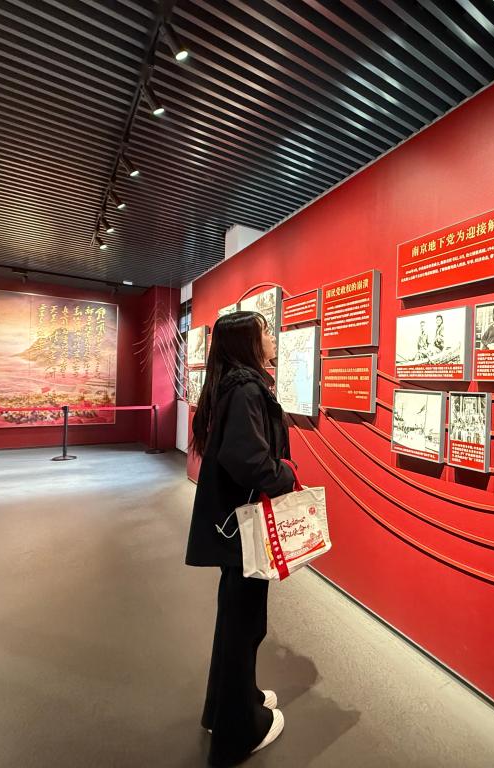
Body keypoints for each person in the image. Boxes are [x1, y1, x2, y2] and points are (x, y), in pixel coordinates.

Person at [185, 311, 296, 765]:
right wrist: (284, 475)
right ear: (247, 341)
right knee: (243, 623)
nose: (273, 337)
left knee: (236, 618)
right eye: (266, 331)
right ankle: (239, 732)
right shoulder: (247, 388)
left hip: (232, 524)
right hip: (244, 525)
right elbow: (246, 458)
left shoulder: (231, 385)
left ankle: (227, 705)